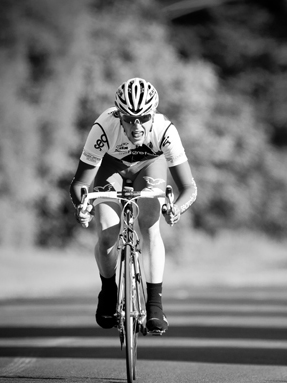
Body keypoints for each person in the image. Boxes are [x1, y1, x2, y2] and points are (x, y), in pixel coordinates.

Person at [69, 78, 197, 334]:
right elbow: (79, 182)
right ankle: (108, 291)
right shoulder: (103, 127)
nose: (136, 126)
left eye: (144, 118)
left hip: (150, 166)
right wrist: (82, 205)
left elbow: (189, 188)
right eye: (129, 118)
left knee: (150, 226)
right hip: (112, 167)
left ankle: (155, 304)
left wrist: (176, 209)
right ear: (119, 115)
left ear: (153, 115)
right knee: (107, 233)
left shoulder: (165, 131)